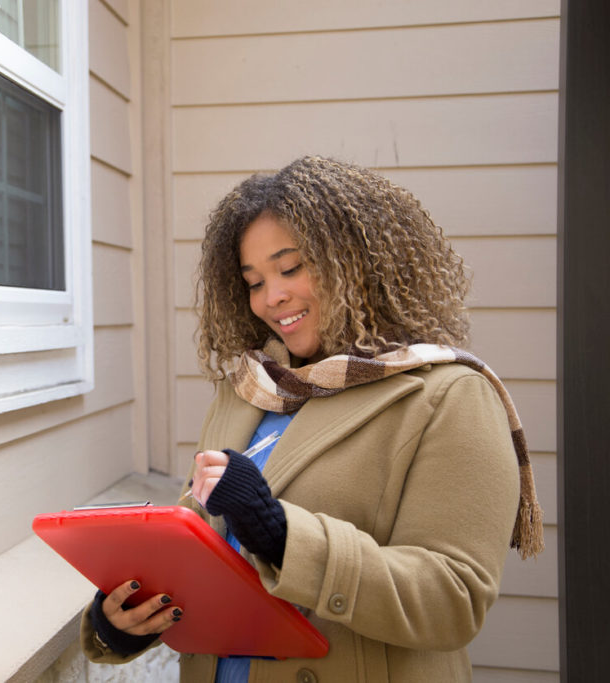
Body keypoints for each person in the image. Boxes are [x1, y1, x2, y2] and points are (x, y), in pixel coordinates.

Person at [79, 156, 544, 682]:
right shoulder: (248, 390)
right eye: (253, 280)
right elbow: (205, 552)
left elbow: (453, 599)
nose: (271, 298)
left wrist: (282, 536)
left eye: (291, 267)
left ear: (359, 261)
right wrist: (126, 617)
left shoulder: (447, 395)